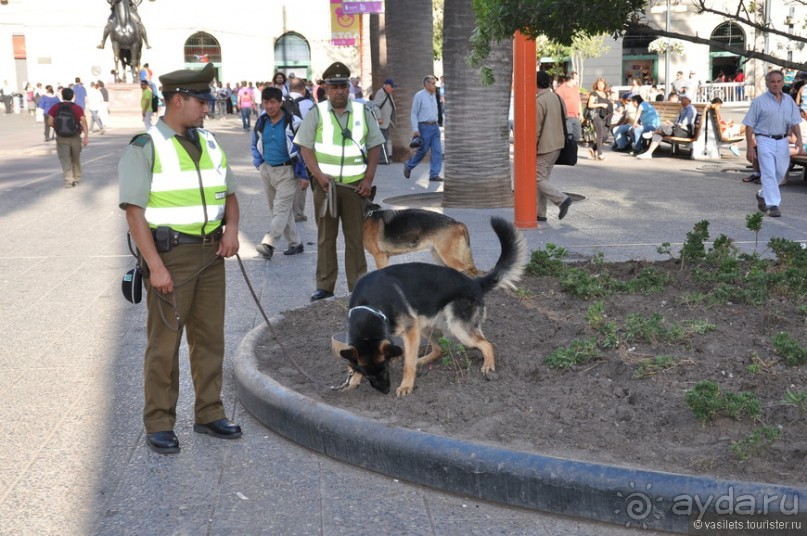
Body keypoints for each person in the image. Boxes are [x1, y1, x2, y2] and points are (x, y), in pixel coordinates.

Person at [117, 63, 242, 454]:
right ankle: (159, 421)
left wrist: (232, 230)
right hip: (172, 256)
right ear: (178, 99)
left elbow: (231, 193)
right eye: (201, 101)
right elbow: (134, 212)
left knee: (210, 339)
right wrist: (155, 267)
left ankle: (209, 413)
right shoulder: (146, 146)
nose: (207, 108)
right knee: (164, 343)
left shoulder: (209, 142)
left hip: (212, 254)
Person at [294, 62, 384, 301]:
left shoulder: (363, 113)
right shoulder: (317, 113)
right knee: (325, 237)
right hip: (326, 188)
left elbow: (375, 146)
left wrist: (368, 179)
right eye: (334, 87)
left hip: (355, 187)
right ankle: (325, 285)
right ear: (325, 88)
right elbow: (305, 148)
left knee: (355, 237)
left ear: (349, 87)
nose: (339, 91)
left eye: (343, 85)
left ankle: (359, 284)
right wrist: (319, 177)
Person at [250, 86, 304, 259]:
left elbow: (304, 149)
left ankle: (269, 243)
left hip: (288, 171)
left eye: (273, 102)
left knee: (280, 209)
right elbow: (255, 142)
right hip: (268, 170)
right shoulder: (262, 121)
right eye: (266, 102)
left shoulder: (293, 122)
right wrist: (259, 163)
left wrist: (304, 175)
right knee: (278, 209)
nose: (269, 106)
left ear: (280, 103)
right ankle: (296, 243)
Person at [742, 70, 803, 217]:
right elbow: (749, 125)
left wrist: (799, 138)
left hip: (782, 140)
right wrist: (750, 147)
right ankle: (773, 205)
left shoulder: (789, 100)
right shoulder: (759, 102)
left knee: (780, 172)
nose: (775, 84)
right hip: (764, 139)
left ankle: (763, 194)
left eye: (778, 81)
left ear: (782, 83)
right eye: (772, 81)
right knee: (768, 172)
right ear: (767, 83)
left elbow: (795, 121)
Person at [535, 70, 571, 223]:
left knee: (535, 178)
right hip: (558, 144)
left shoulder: (539, 101)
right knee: (543, 179)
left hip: (545, 145)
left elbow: (535, 128)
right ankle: (540, 214)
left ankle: (561, 200)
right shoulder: (557, 97)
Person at [403, 75, 443, 182]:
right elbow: (414, 113)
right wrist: (415, 129)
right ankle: (409, 165)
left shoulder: (436, 95)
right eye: (433, 83)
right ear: (426, 84)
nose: (435, 86)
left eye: (435, 83)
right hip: (423, 127)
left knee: (437, 151)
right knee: (423, 150)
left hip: (434, 126)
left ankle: (434, 174)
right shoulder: (419, 96)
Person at [48, 87, 89, 188]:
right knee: (75, 158)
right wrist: (86, 136)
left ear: (62, 96)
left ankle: (69, 180)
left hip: (61, 137)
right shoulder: (77, 108)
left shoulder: (55, 107)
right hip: (75, 136)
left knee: (65, 158)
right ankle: (77, 177)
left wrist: (58, 128)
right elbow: (83, 122)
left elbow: (49, 122)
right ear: (72, 96)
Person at [287, 76, 315, 222]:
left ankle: (285, 210)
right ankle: (298, 212)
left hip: (284, 146)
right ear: (303, 90)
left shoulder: (281, 101)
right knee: (301, 178)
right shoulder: (308, 104)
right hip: (302, 146)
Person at [636, 94, 696, 159]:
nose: (681, 99)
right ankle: (649, 153)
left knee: (661, 128)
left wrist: (673, 125)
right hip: (678, 130)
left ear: (688, 100)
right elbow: (678, 123)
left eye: (683, 98)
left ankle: (652, 133)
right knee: (659, 133)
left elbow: (684, 123)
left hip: (685, 132)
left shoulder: (690, 109)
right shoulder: (683, 109)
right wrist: (671, 123)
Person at [372, 78, 397, 165]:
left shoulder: (387, 93)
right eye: (391, 87)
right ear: (385, 86)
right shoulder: (381, 93)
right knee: (382, 141)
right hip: (381, 123)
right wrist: (379, 118)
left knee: (384, 140)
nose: (393, 89)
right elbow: (375, 106)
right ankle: (383, 159)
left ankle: (384, 158)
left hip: (386, 122)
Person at [586, 78, 612, 161]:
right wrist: (601, 104)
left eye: (602, 84)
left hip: (605, 116)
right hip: (596, 115)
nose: (600, 86)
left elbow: (609, 103)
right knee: (600, 134)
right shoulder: (593, 94)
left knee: (605, 136)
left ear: (605, 85)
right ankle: (600, 154)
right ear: (596, 85)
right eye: (599, 84)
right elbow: (590, 105)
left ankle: (593, 148)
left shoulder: (606, 94)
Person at [555, 73, 582, 142]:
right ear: (571, 79)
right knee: (568, 136)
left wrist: (580, 113)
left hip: (575, 116)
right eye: (576, 78)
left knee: (577, 136)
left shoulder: (575, 88)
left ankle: (573, 151)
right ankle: (568, 151)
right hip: (567, 116)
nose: (577, 80)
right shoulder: (561, 89)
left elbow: (578, 101)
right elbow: (558, 103)